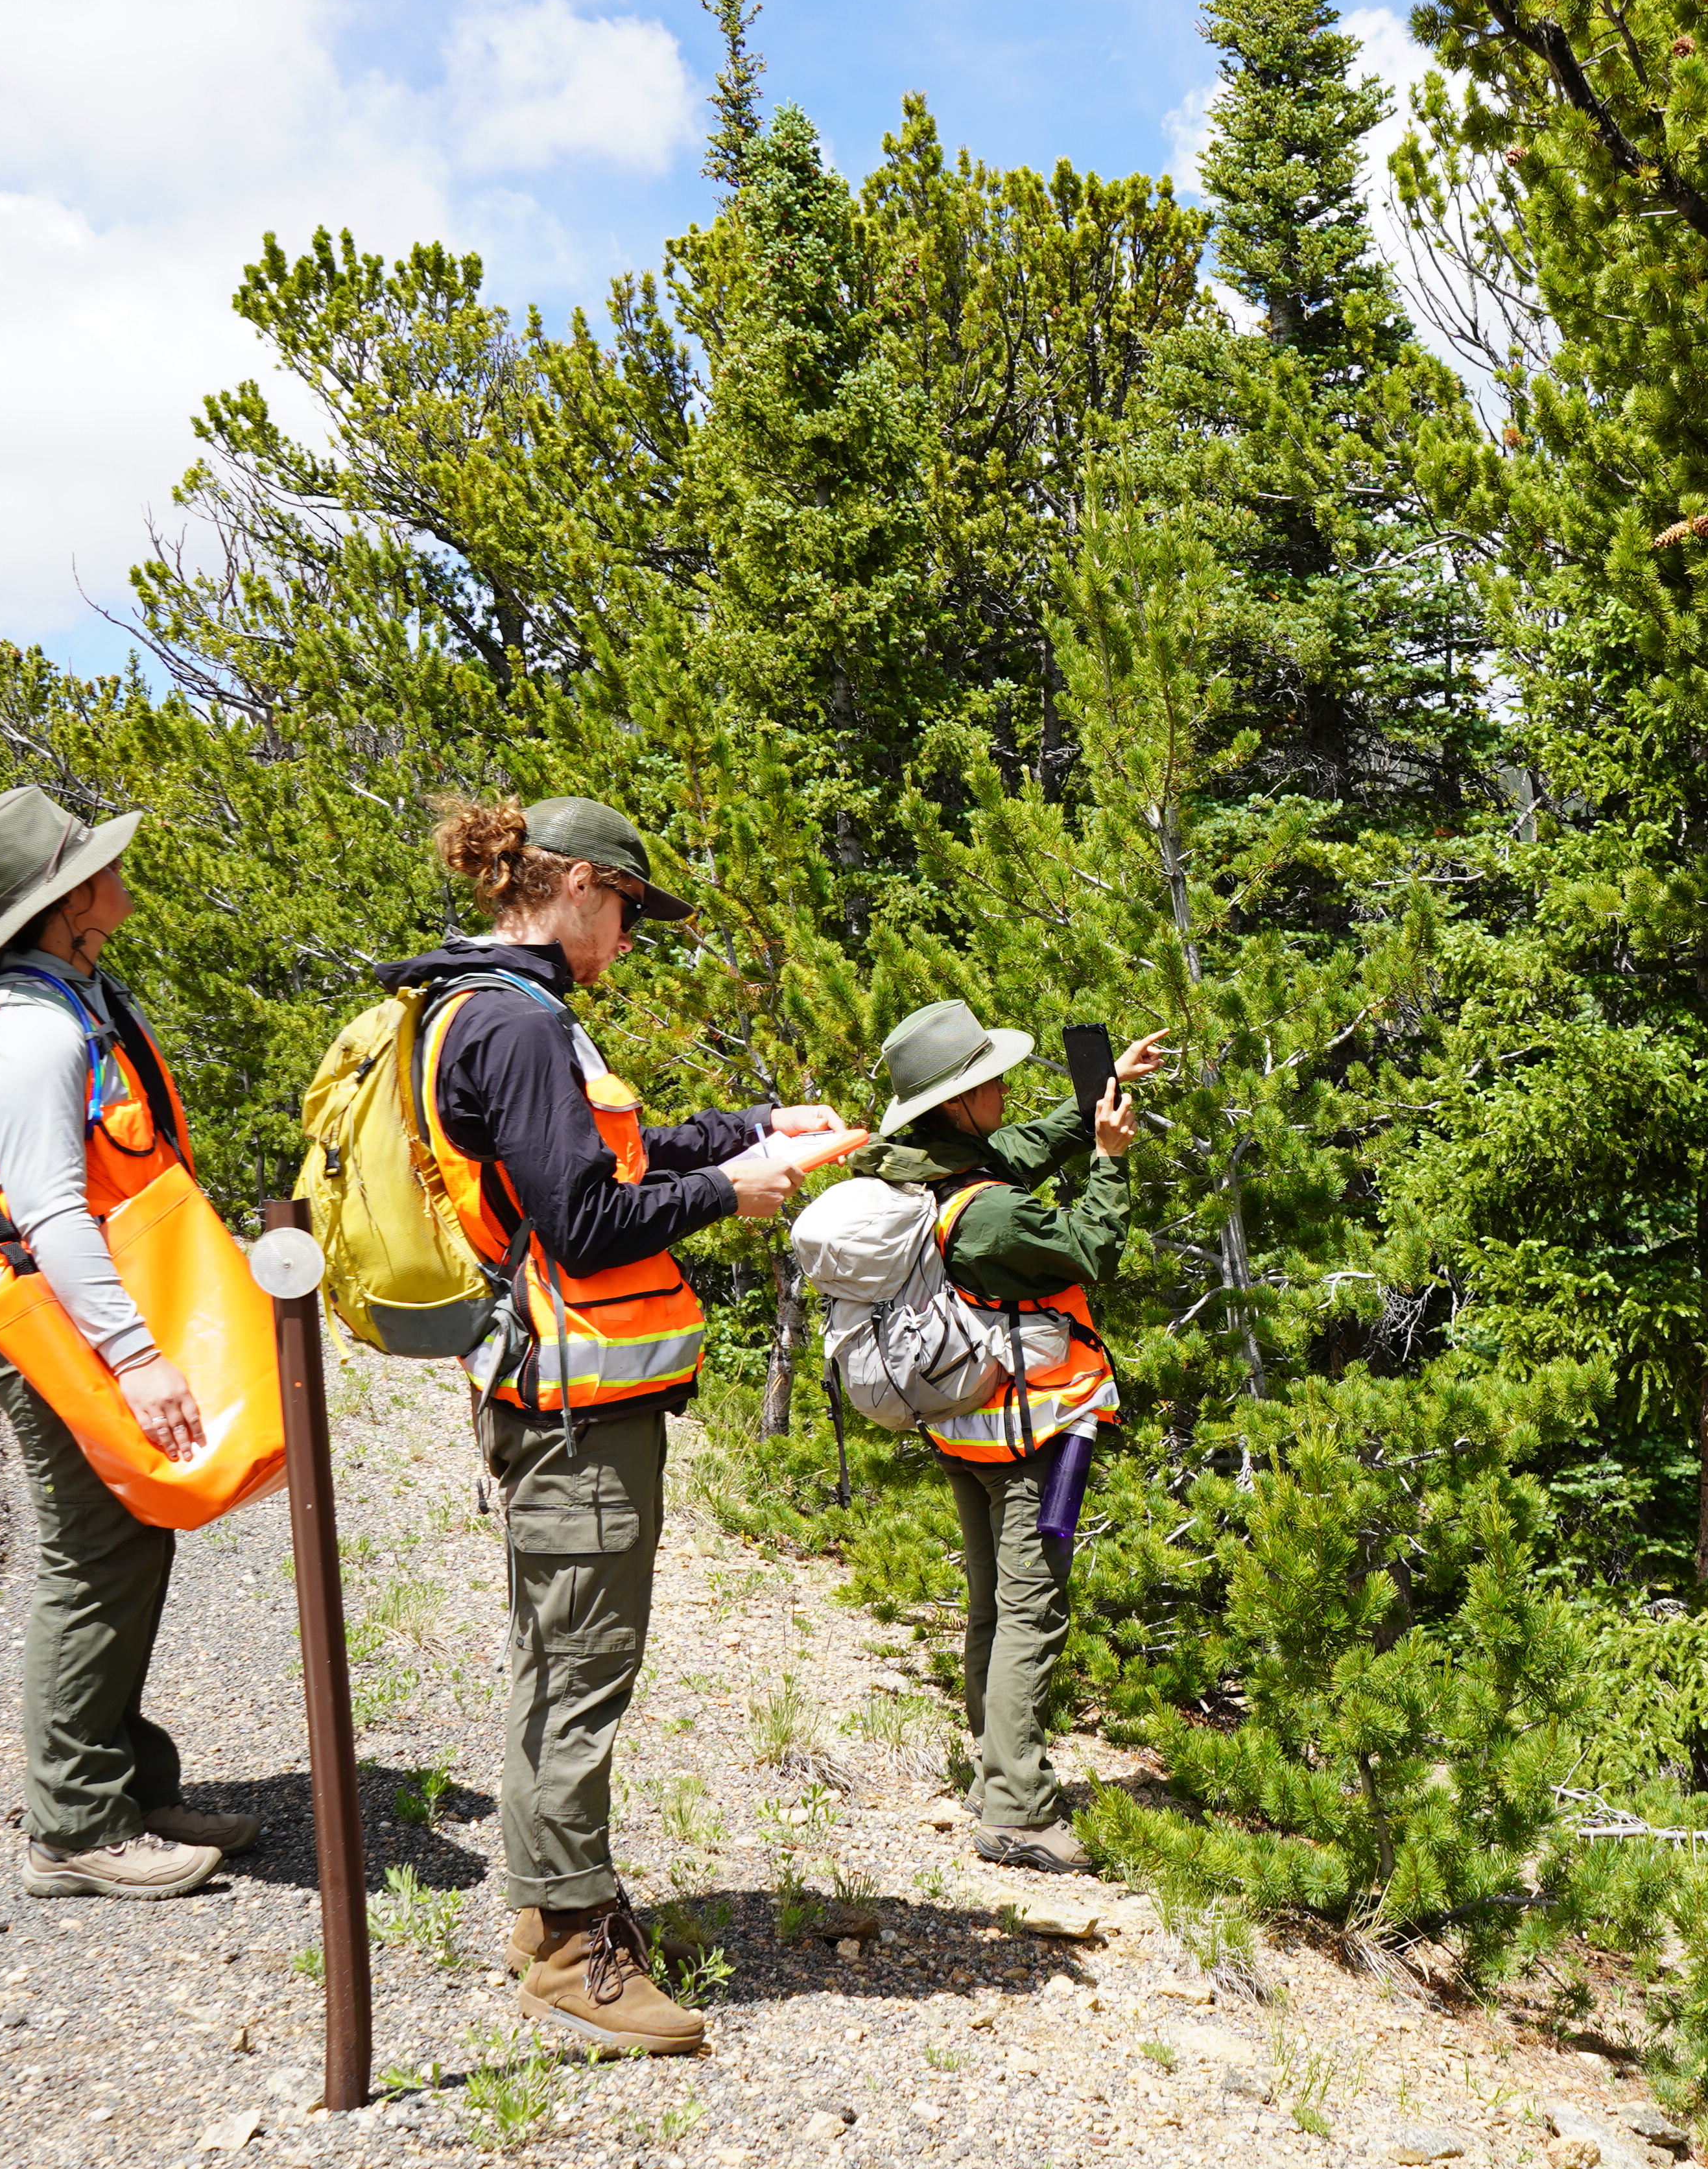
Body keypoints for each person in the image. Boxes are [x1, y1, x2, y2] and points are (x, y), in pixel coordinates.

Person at [379, 794, 840, 2056]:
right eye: (628, 906)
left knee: (555, 1657)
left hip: (559, 1397)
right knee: (581, 1670)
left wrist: (749, 1130)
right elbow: (587, 1222)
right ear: (574, 884)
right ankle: (577, 1949)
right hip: (578, 1409)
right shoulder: (522, 1027)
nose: (632, 933)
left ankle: (548, 1905)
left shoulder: (486, 1009)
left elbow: (601, 1162)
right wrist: (731, 1192)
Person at [0, 786, 260, 1904]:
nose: (122, 882)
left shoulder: (79, 998)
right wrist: (137, 1357)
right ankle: (71, 1826)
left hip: (84, 1319)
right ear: (64, 905)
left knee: (130, 1544)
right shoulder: (30, 1030)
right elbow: (53, 1215)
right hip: (53, 1330)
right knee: (90, 1559)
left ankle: (124, 1786)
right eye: (101, 869)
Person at [866, 1000, 1165, 1875]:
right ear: (957, 1101)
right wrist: (1110, 1160)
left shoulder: (922, 1172)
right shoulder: (992, 1217)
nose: (1003, 1087)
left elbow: (1024, 1148)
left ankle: (993, 1765)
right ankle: (1018, 1812)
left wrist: (1099, 1097)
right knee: (1032, 1615)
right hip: (1048, 1437)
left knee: (996, 1606)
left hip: (970, 1430)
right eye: (989, 1078)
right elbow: (1093, 1247)